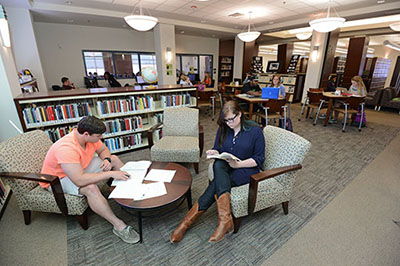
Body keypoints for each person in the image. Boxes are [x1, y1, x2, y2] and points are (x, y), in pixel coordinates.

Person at [170, 100, 265, 243]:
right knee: (218, 164)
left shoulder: (255, 130)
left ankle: (185, 224)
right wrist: (214, 151)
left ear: (240, 114)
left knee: (216, 184)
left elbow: (259, 159)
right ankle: (226, 219)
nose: (229, 123)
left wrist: (238, 165)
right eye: (226, 120)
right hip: (226, 164)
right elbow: (218, 148)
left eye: (231, 119)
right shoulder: (224, 128)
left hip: (245, 169)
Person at [40, 116, 140, 244]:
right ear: (86, 134)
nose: (101, 138)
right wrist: (110, 173)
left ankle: (130, 193)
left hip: (79, 168)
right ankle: (119, 226)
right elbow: (80, 181)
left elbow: (103, 150)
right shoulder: (66, 148)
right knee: (90, 188)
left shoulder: (89, 138)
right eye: (99, 136)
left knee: (114, 158)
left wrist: (107, 160)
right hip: (57, 180)